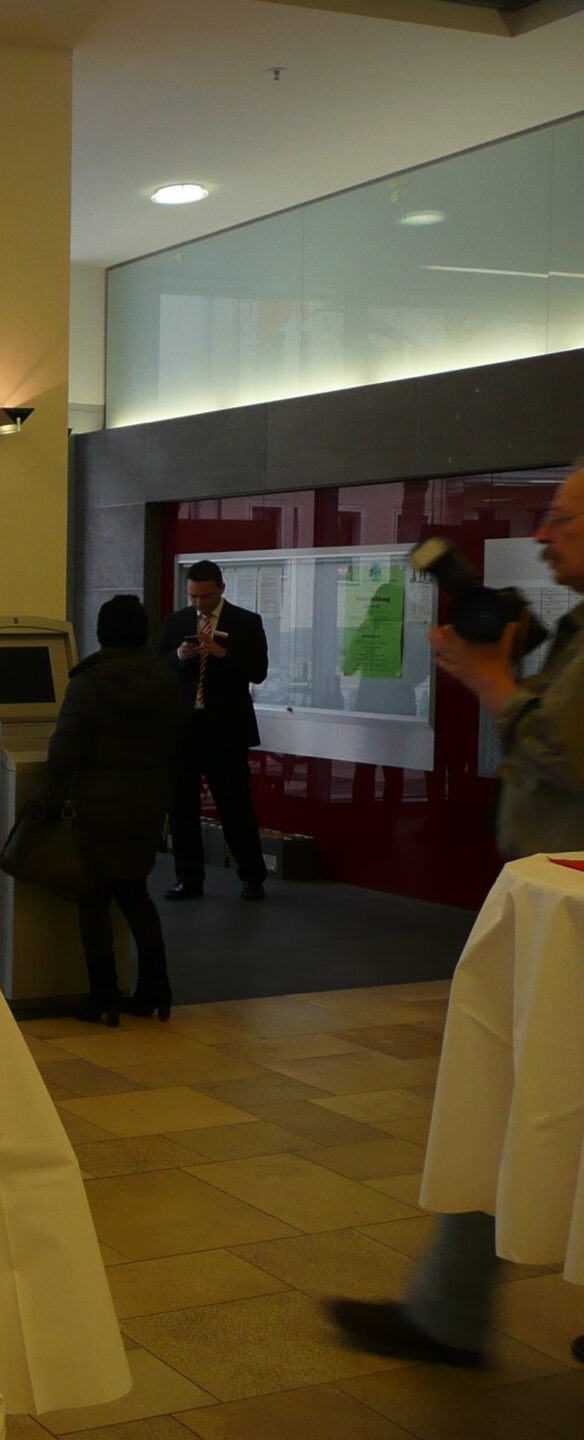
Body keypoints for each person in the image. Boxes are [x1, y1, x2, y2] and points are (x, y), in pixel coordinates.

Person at [333, 464, 584, 1370]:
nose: (544, 534)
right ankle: (446, 1309)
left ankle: (446, 1311)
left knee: (526, 1091)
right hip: (551, 910)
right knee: (512, 1093)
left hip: (572, 921)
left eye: (561, 518)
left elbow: (568, 753)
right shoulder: (576, 631)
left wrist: (491, 680)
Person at [42, 596, 183, 1027]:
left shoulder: (88, 682)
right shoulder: (165, 676)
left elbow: (64, 750)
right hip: (149, 800)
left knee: (93, 896)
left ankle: (103, 993)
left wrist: (50, 801)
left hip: (99, 802)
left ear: (101, 633)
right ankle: (155, 987)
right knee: (136, 893)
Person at [157, 559, 270, 901]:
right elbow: (157, 664)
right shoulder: (176, 621)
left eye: (205, 596)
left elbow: (258, 671)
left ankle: (252, 876)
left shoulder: (246, 622)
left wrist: (222, 654)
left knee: (234, 805)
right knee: (182, 807)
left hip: (225, 729)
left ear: (221, 589)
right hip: (183, 727)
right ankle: (188, 879)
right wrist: (179, 655)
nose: (199, 603)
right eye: (193, 596)